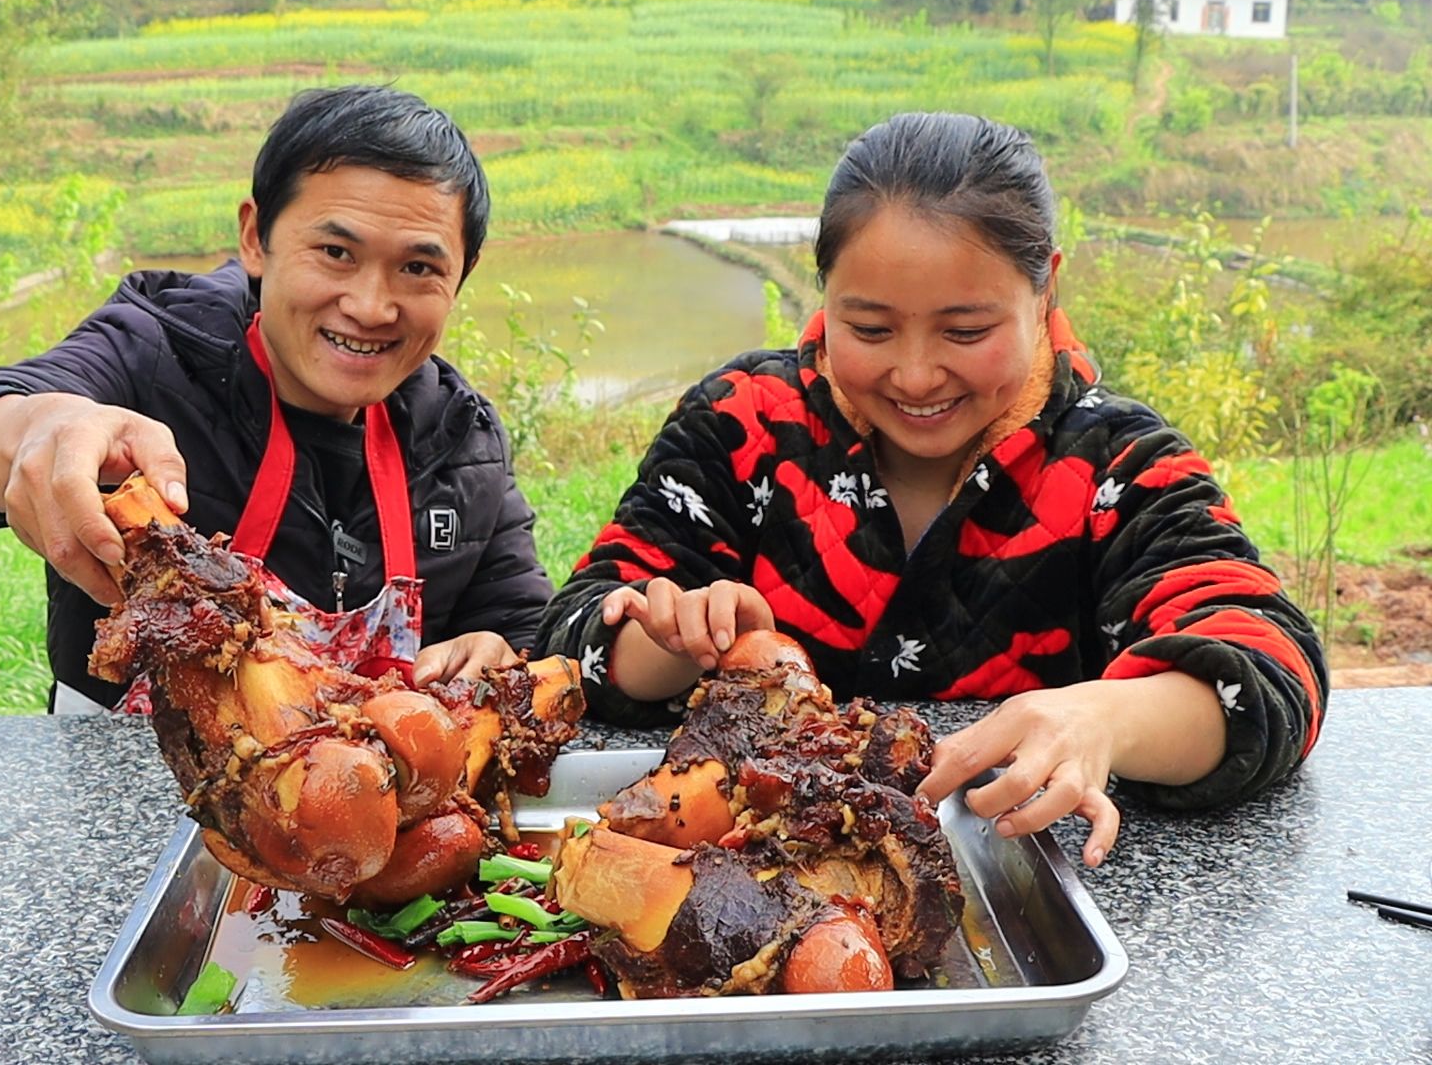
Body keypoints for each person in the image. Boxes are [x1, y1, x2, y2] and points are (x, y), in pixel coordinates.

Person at [534, 112, 1326, 867]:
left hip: (1007, 872)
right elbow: (572, 631)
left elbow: (1272, 672)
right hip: (736, 866)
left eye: (966, 331)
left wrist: (1104, 718)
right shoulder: (742, 425)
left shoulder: (1116, 465)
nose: (914, 376)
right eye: (870, 330)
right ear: (825, 292)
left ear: (1043, 287)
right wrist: (669, 642)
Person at [0, 85, 554, 712]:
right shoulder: (156, 351)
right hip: (124, 805)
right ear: (255, 238)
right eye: (335, 252)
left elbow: (520, 623)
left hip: (355, 807)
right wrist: (42, 427)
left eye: (418, 268)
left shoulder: (461, 438)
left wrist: (498, 654)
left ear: (461, 275)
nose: (369, 306)